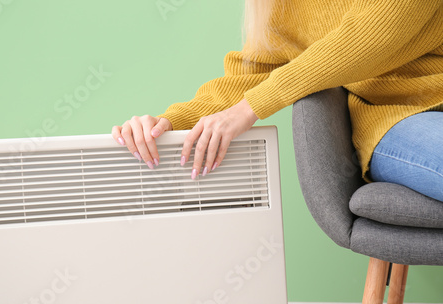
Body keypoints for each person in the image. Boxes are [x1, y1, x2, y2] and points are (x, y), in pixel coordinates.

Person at [112, 0, 443, 201]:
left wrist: (252, 106)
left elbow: (375, 32)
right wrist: (169, 123)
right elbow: (254, 72)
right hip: (404, 114)